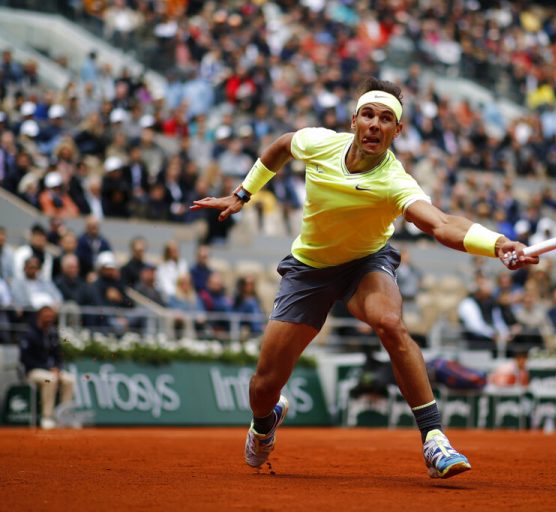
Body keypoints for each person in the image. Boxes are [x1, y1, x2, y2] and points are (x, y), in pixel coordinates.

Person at [191, 77, 538, 479]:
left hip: (365, 263)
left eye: (386, 119)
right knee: (263, 387)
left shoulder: (395, 181)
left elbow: (442, 224)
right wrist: (242, 193)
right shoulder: (320, 143)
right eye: (368, 115)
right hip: (309, 269)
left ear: (397, 130)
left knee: (390, 322)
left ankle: (434, 438)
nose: (375, 124)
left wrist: (497, 244)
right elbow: (283, 145)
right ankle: (265, 422)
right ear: (354, 120)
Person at [19, 305, 76, 430]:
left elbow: (58, 356)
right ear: (39, 316)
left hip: (51, 372)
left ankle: (64, 417)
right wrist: (47, 368)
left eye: (51, 316)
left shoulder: (53, 333)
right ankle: (47, 417)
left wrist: (58, 368)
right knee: (50, 380)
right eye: (46, 316)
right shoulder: (29, 333)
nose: (49, 319)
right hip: (33, 372)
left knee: (69, 380)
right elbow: (25, 359)